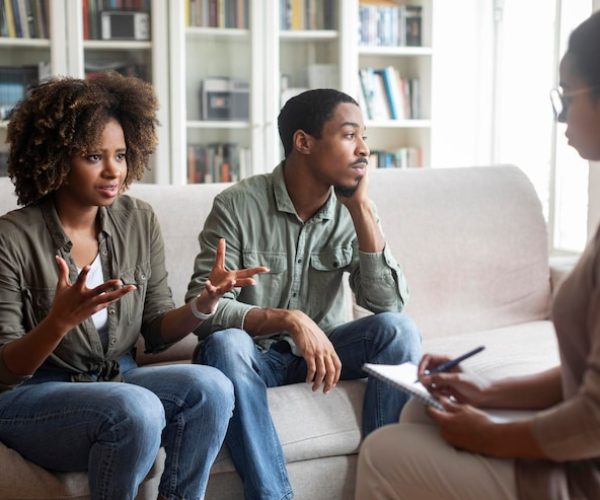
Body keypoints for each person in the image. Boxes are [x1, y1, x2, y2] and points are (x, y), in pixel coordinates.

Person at [355, 10, 600, 500]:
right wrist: (488, 394)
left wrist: (486, 433)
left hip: (582, 472)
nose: (561, 117)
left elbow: (593, 418)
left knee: (383, 450)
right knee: (421, 409)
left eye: (566, 96)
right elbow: (584, 377)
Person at [0, 73, 267, 500]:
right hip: (34, 396)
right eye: (93, 156)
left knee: (213, 386)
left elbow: (157, 330)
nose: (113, 171)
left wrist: (204, 303)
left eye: (121, 155)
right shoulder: (12, 237)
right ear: (55, 158)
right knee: (136, 408)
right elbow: (4, 369)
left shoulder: (138, 220)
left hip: (115, 380)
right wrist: (59, 322)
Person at [186, 88, 422, 499]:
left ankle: (384, 488)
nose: (364, 149)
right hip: (252, 358)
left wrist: (362, 212)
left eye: (364, 137)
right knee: (225, 344)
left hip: (323, 357)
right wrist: (289, 319)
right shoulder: (237, 205)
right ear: (304, 142)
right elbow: (203, 308)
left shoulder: (353, 211)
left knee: (398, 330)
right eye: (350, 135)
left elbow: (388, 306)